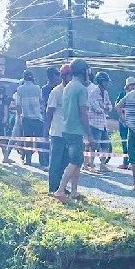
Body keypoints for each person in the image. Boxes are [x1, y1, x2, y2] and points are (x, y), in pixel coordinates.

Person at [55, 58, 92, 202]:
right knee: (75, 161)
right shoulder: (81, 89)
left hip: (66, 128)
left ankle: (74, 191)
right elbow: (84, 112)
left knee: (77, 161)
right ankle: (60, 190)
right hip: (76, 129)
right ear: (83, 71)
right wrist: (89, 134)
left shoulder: (68, 86)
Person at [45, 63, 72, 195]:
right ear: (63, 76)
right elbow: (49, 112)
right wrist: (47, 129)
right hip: (57, 131)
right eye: (69, 75)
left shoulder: (72, 91)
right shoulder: (56, 92)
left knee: (65, 162)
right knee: (55, 162)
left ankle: (61, 187)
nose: (71, 78)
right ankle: (52, 188)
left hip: (68, 132)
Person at [11, 70, 44, 166]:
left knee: (27, 140)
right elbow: (41, 101)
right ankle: (42, 161)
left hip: (26, 118)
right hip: (37, 118)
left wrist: (19, 118)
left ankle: (28, 160)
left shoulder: (20, 89)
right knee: (39, 140)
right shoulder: (38, 88)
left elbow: (18, 105)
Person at [86, 71, 114, 172]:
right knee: (94, 145)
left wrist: (104, 107)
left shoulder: (105, 93)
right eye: (105, 81)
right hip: (94, 123)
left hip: (103, 123)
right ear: (100, 82)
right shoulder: (93, 92)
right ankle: (91, 164)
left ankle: (102, 165)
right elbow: (96, 108)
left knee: (105, 144)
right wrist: (104, 108)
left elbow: (110, 106)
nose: (107, 83)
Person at [39, 67, 62, 168]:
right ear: (51, 76)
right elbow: (45, 104)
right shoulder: (45, 89)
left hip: (59, 118)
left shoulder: (62, 89)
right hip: (47, 117)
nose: (58, 77)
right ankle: (45, 162)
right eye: (56, 75)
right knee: (46, 139)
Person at [117, 76, 135, 169]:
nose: (132, 87)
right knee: (124, 142)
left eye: (134, 85)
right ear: (127, 86)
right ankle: (125, 163)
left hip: (133, 122)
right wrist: (122, 117)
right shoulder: (122, 94)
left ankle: (132, 163)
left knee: (132, 143)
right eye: (130, 85)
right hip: (123, 122)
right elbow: (117, 106)